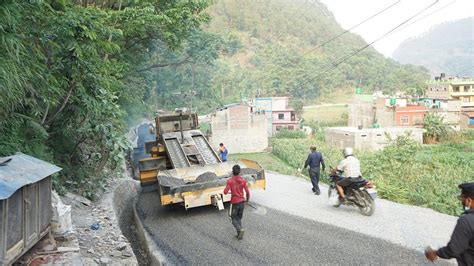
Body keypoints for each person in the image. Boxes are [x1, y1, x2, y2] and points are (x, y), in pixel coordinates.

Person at [425, 182, 474, 265]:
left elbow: (453, 250)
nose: (461, 200)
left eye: (461, 197)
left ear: (469, 200)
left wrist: (435, 253)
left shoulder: (467, 221)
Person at [224, 165, 250, 239]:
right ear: (240, 172)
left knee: (232, 218)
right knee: (238, 218)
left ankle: (240, 229)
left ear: (232, 172)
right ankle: (239, 234)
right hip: (242, 202)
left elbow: (225, 192)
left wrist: (231, 190)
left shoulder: (230, 181)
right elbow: (247, 192)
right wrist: (247, 201)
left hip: (235, 203)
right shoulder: (243, 181)